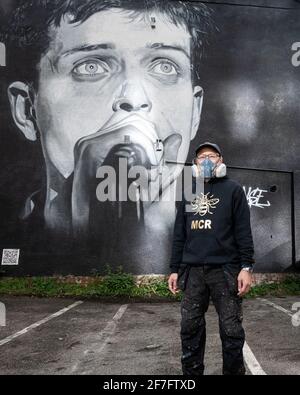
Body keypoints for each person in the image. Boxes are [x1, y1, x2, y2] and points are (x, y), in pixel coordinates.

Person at [0, 0, 215, 273]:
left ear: (195, 112)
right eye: (90, 66)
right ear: (27, 110)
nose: (134, 99)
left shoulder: (220, 236)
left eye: (165, 66)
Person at [168, 141, 254, 375]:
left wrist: (246, 267)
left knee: (231, 329)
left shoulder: (233, 190)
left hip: (225, 270)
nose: (206, 160)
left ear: (221, 161)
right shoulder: (188, 191)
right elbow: (180, 233)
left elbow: (243, 231)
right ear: (195, 163)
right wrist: (175, 268)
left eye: (212, 156)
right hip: (193, 270)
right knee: (190, 328)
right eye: (201, 157)